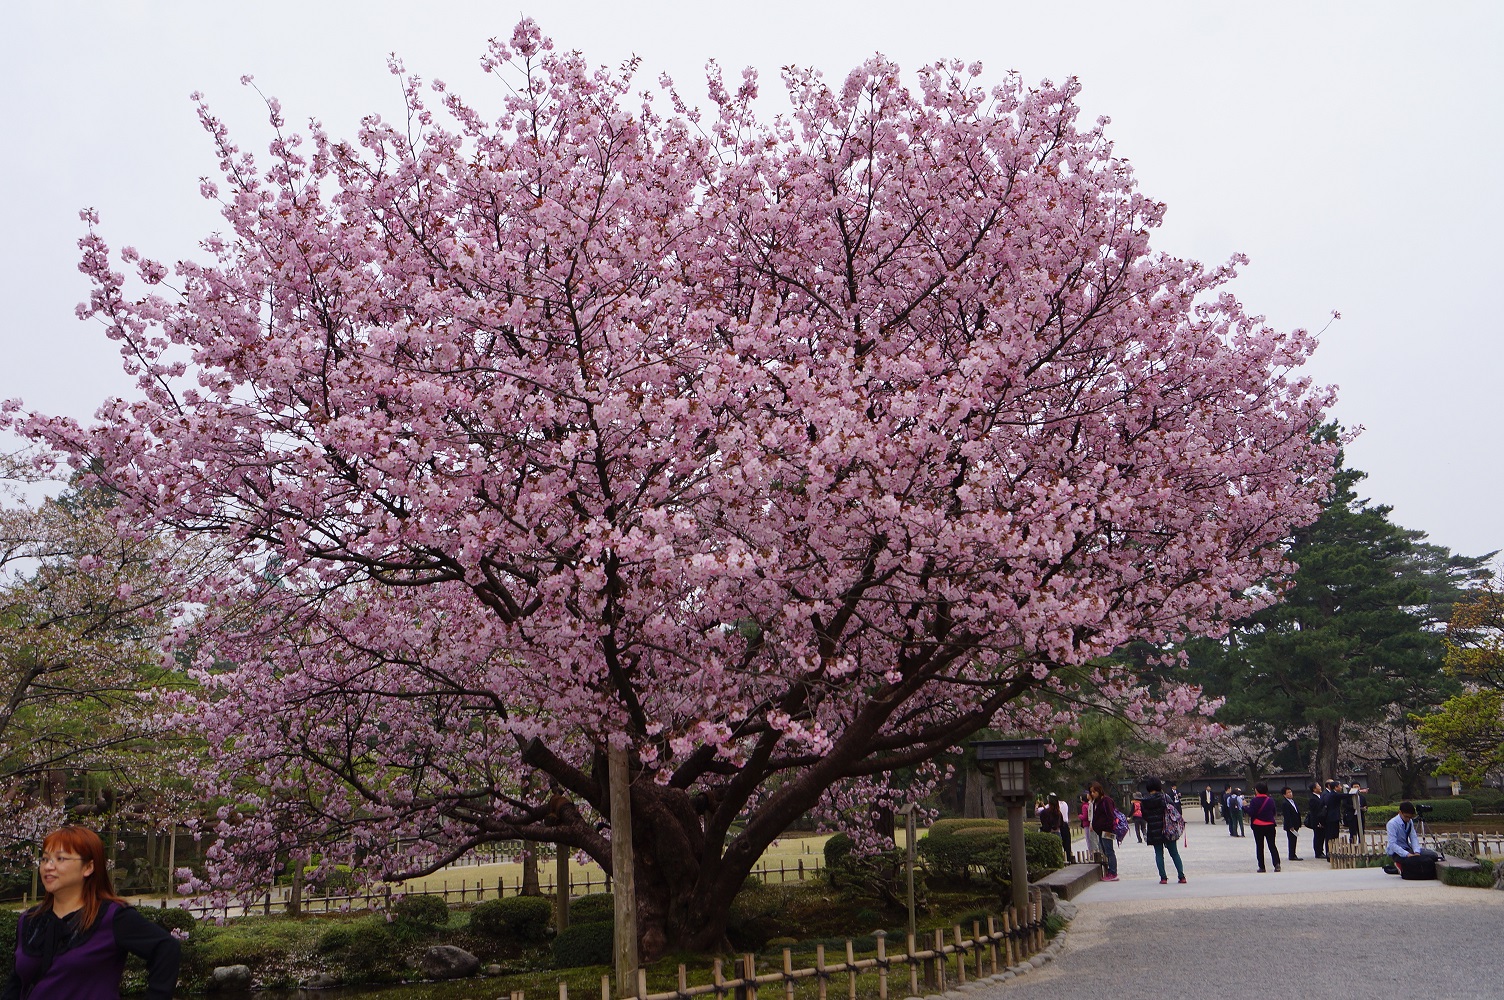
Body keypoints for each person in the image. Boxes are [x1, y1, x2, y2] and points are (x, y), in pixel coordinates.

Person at [3, 825, 180, 1000]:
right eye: (45, 859)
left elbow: (166, 948)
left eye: (60, 858)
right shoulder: (29, 921)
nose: (48, 866)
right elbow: (17, 982)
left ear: (88, 867)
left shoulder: (112, 917)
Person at [1140, 777, 1187, 884]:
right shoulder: (1165, 797)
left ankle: (1163, 878)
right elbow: (1173, 811)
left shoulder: (1145, 801)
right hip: (1168, 829)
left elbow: (1145, 817)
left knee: (1158, 853)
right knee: (1174, 853)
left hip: (1154, 830)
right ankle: (1181, 876)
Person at [1385, 801, 1440, 877]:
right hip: (1397, 852)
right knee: (1412, 860)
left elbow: (1413, 837)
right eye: (1406, 817)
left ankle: (1402, 867)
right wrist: (1407, 854)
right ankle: (1400, 865)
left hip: (1408, 848)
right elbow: (1392, 844)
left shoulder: (1409, 821)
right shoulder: (1392, 824)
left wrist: (1416, 851)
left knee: (1433, 855)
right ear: (1400, 812)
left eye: (1410, 817)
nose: (1408, 819)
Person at [1243, 781, 1280, 872]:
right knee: (1272, 845)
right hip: (1270, 825)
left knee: (1260, 846)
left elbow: (1251, 813)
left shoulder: (1254, 800)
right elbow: (1274, 812)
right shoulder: (1270, 800)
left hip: (1258, 825)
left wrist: (1245, 807)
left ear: (1257, 790)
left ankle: (1262, 867)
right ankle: (1277, 864)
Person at [1087, 781, 1120, 882]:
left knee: (1109, 850)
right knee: (1105, 851)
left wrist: (1108, 828)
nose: (1093, 794)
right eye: (1091, 792)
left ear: (1099, 790)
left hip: (1107, 830)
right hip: (1100, 831)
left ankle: (1113, 872)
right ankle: (1110, 871)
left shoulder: (1106, 801)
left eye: (1094, 791)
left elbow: (1110, 816)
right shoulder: (1096, 802)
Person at [1279, 785, 1304, 861]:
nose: (1290, 794)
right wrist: (1290, 826)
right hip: (1291, 825)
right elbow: (1287, 816)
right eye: (1288, 793)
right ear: (1284, 795)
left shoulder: (1292, 801)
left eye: (1290, 792)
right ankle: (1292, 855)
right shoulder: (1285, 803)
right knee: (1292, 840)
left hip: (1296, 824)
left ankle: (1293, 854)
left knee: (1294, 839)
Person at [1307, 782, 1329, 859]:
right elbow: (1315, 812)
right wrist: (1318, 822)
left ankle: (1320, 851)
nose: (1320, 787)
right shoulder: (1313, 799)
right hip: (1317, 821)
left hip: (1322, 820)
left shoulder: (1320, 796)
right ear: (1314, 789)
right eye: (1318, 786)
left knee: (1321, 836)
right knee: (1318, 837)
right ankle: (1318, 852)